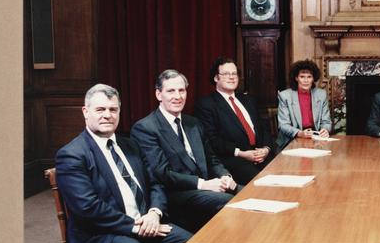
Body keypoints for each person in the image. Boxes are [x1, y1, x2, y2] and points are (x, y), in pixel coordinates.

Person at [55, 84, 191, 243]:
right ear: (86, 112)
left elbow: (155, 182)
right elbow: (88, 207)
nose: (107, 115)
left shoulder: (130, 145)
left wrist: (154, 213)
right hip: (103, 235)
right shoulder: (72, 155)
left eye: (113, 109)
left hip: (147, 222)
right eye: (100, 109)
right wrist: (134, 227)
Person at [130, 70, 236, 232]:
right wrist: (204, 184)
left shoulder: (193, 123)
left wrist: (225, 176)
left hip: (208, 186)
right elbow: (162, 173)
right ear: (159, 94)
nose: (178, 96)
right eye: (171, 91)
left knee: (248, 193)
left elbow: (211, 159)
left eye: (182, 90)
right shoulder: (145, 128)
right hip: (176, 194)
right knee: (228, 201)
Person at [195, 56, 274, 185]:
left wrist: (266, 149)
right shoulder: (206, 104)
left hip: (261, 156)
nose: (231, 77)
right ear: (216, 78)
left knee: (285, 172)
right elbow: (211, 139)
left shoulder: (248, 100)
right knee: (264, 183)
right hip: (234, 160)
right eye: (226, 74)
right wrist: (241, 153)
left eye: (234, 73)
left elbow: (264, 129)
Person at [276, 59, 332, 149]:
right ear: (296, 78)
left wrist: (325, 129)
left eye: (309, 77)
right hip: (291, 140)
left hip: (315, 139)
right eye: (302, 77)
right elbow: (283, 125)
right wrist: (300, 133)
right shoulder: (285, 96)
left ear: (313, 79)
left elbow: (326, 121)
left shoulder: (321, 94)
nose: (306, 80)